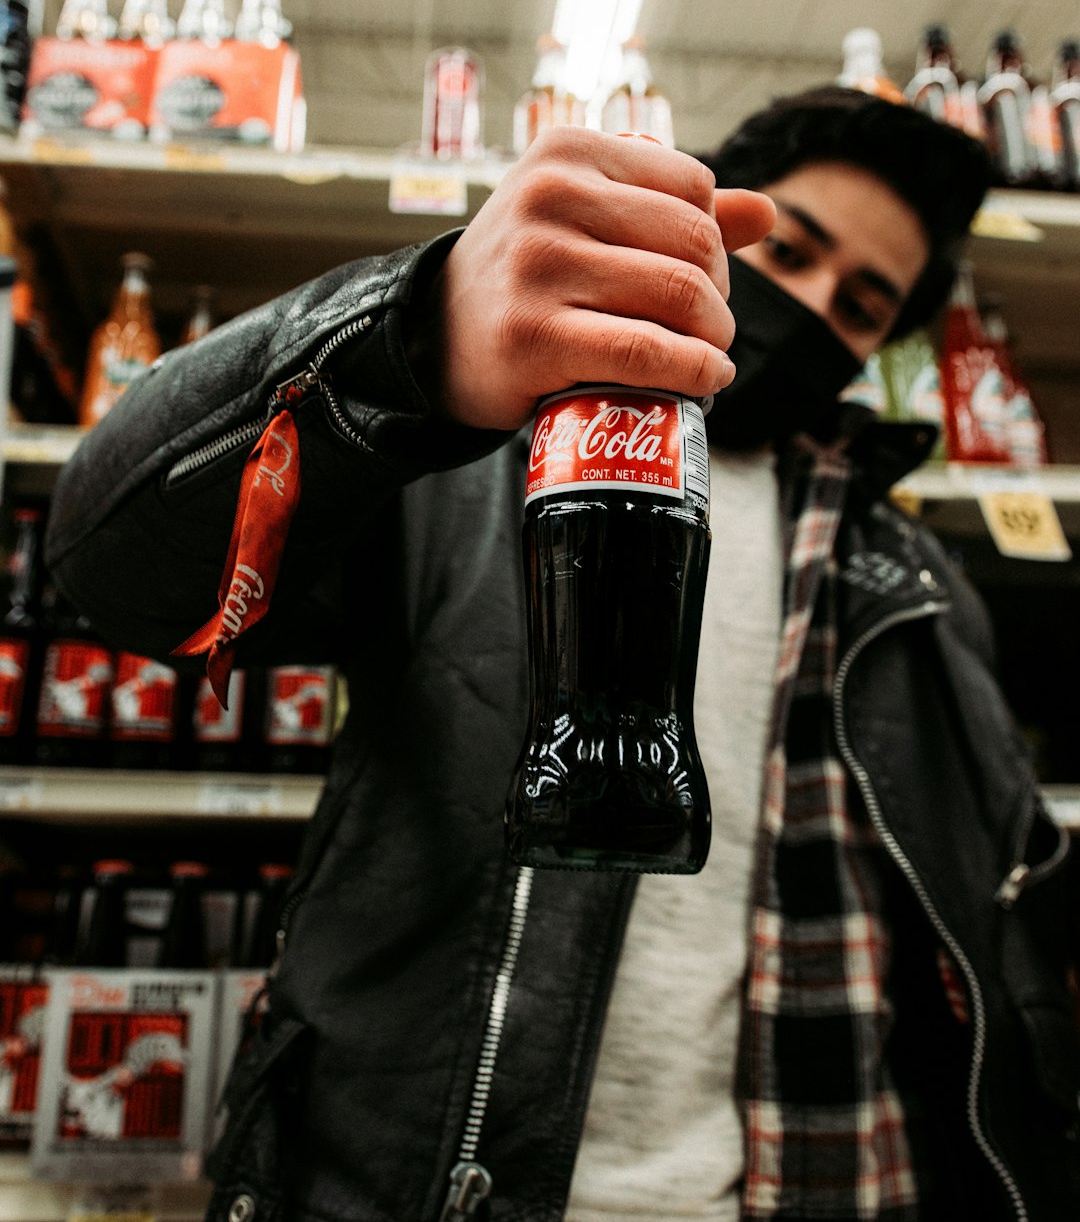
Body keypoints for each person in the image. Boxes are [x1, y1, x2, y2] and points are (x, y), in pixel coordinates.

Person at [45, 88, 1079, 1222]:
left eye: (866, 301)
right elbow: (109, 562)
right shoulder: (460, 470)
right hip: (424, 1186)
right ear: (714, 227)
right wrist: (411, 337)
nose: (820, 303)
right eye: (793, 248)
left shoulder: (919, 591)